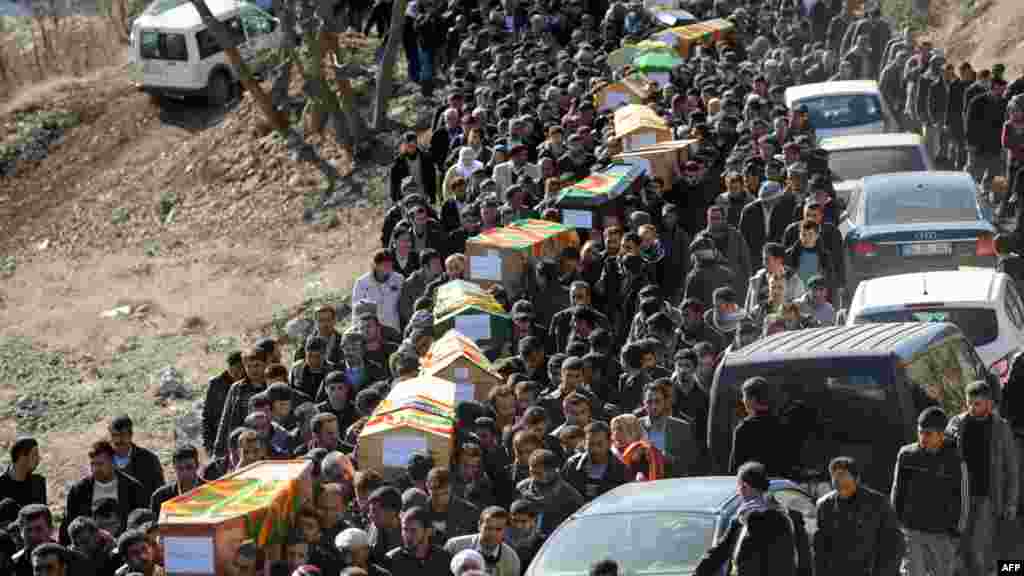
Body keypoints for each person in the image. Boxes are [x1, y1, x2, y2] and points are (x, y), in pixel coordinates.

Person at [944, 381, 1019, 575]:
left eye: (976, 404)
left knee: (979, 547)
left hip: (987, 496)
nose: (971, 408)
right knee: (961, 546)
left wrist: (1010, 502)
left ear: (989, 404)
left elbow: (1011, 468)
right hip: (961, 496)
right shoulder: (957, 424)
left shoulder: (1000, 428)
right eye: (969, 403)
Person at [890, 407, 967, 576]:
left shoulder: (955, 460)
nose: (922, 437)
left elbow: (962, 497)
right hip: (912, 531)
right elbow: (897, 492)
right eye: (920, 432)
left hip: (942, 533)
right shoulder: (906, 455)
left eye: (928, 434)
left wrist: (957, 531)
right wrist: (896, 525)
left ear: (941, 435)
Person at [694, 461, 799, 576]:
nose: (739, 493)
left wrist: (750, 519)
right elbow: (718, 553)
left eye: (739, 488)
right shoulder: (741, 518)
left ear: (745, 486)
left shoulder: (777, 519)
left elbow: (774, 564)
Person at [813, 456, 904, 576]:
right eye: (834, 476)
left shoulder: (877, 503)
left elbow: (893, 543)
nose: (838, 480)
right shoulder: (825, 506)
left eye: (843, 475)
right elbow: (821, 548)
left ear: (856, 478)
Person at [60, 440, 145, 545]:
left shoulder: (133, 488)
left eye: (100, 464)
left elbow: (141, 524)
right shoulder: (79, 490)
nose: (95, 469)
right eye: (93, 464)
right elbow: (69, 524)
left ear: (113, 462)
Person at [640, 379, 700, 478]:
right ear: (644, 403)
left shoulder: (682, 428)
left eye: (657, 401)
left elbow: (691, 464)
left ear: (665, 402)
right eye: (649, 402)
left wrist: (668, 459)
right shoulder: (636, 425)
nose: (654, 406)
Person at [516, 449, 583, 537]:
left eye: (539, 473)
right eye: (532, 472)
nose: (534, 476)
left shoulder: (571, 496)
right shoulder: (522, 488)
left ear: (552, 471)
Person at [444, 506, 521, 576]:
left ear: (505, 530)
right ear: (479, 526)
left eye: (498, 529)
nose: (492, 534)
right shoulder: (454, 546)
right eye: (488, 528)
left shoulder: (512, 559)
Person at [561, 422, 628, 502]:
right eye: (590, 444)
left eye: (600, 444)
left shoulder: (620, 469)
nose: (595, 449)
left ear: (609, 443)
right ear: (584, 443)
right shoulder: (572, 464)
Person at [108, 415, 165, 505]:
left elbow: (160, 492)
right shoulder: (103, 460)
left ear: (130, 435)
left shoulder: (148, 459)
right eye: (115, 435)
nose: (118, 439)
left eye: (122, 434)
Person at [386, 506, 453, 576]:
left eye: (413, 530)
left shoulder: (443, 558)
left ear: (428, 531)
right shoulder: (392, 560)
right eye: (405, 529)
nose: (407, 535)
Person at [202, 350, 244, 455]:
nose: (238, 373)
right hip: (221, 441)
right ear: (228, 367)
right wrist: (208, 445)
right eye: (235, 369)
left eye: (241, 369)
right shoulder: (216, 385)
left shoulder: (247, 384)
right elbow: (207, 418)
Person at [150, 444, 201, 515]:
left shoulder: (213, 491)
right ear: (174, 468)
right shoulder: (160, 497)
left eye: (189, 467)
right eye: (180, 468)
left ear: (197, 466)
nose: (185, 473)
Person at [0, 436, 46, 508]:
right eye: (35, 454)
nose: (38, 459)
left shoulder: (38, 483)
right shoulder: (2, 484)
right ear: (21, 456)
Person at [12, 504, 54, 576]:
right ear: (21, 532)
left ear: (50, 529)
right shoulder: (15, 564)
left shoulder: (68, 560)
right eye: (28, 530)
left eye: (39, 529)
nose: (33, 535)